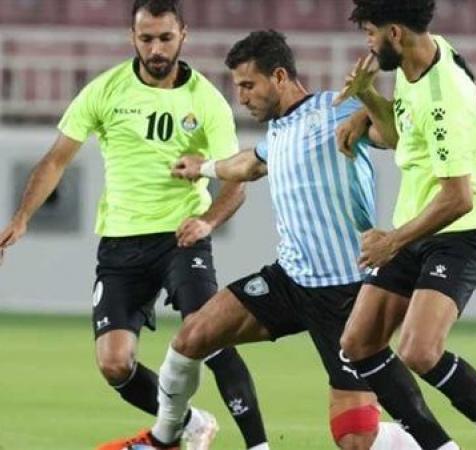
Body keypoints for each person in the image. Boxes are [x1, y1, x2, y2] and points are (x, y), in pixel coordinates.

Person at [96, 30, 421, 450]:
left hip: (347, 294)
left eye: (249, 85)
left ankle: (417, 443)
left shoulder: (338, 109)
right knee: (191, 337)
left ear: (280, 76)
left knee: (356, 439)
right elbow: (249, 165)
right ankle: (165, 438)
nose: (242, 97)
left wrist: (370, 98)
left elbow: (394, 138)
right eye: (238, 87)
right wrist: (204, 168)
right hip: (289, 281)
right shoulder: (278, 133)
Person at [0, 1, 269, 449]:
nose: (156, 48)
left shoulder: (206, 100)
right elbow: (56, 160)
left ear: (183, 35)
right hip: (121, 244)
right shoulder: (105, 90)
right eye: (146, 39)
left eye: (165, 38)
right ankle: (189, 424)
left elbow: (236, 181)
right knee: (114, 364)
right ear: (133, 38)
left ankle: (258, 445)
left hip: (181, 239)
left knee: (209, 334)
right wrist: (22, 217)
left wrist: (207, 221)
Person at [334, 1, 476, 450]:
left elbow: (458, 198)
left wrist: (391, 242)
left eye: (371, 33)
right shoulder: (420, 59)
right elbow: (402, 135)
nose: (368, 45)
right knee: (358, 343)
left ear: (395, 33)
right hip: (416, 227)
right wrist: (368, 100)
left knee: (419, 351)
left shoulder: (444, 98)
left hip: (461, 233)